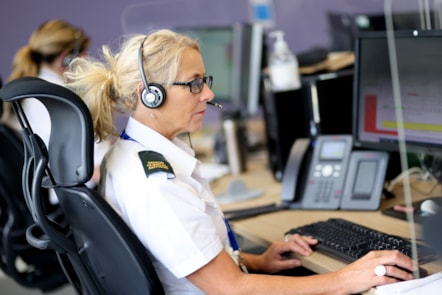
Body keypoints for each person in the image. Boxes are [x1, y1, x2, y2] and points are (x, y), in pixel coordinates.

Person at [65, 29, 416, 294]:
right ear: (150, 95)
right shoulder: (158, 184)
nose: (208, 94)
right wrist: (343, 279)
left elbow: (175, 258)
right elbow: (231, 289)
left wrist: (259, 262)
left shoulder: (128, 156)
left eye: (205, 81)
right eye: (194, 84)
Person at [3, 19, 111, 188]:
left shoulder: (32, 92)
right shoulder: (63, 100)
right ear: (66, 58)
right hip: (83, 191)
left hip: (60, 193)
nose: (87, 61)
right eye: (84, 55)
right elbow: (93, 171)